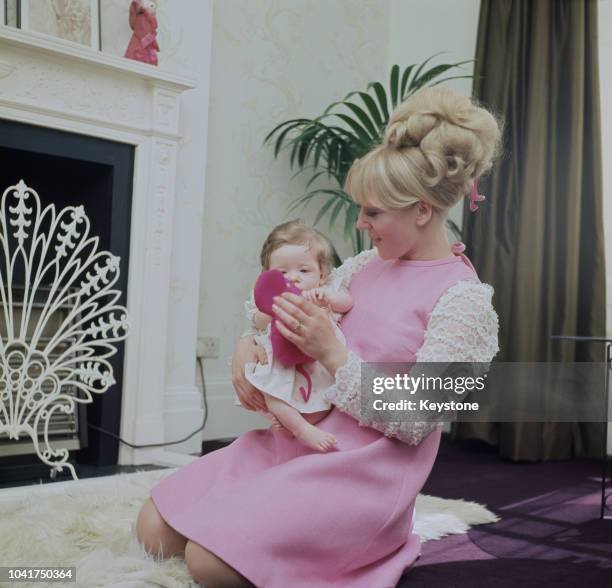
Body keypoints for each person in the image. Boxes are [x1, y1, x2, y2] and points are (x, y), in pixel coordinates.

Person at [136, 85, 503, 588]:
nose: (360, 224)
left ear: (421, 210)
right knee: (154, 529)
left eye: (373, 212)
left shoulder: (464, 300)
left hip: (366, 476)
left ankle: (371, 546)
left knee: (208, 561)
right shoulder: (365, 267)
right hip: (303, 441)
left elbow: (420, 418)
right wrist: (249, 342)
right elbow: (284, 307)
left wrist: (333, 352)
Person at [241, 219, 353, 452]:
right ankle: (299, 427)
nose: (293, 277)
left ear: (321, 274)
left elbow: (347, 303)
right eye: (283, 272)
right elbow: (257, 320)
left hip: (318, 360)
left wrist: (328, 299)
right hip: (281, 359)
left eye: (304, 270)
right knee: (272, 393)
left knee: (325, 396)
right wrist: (272, 307)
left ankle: (302, 423)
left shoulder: (324, 292)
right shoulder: (273, 297)